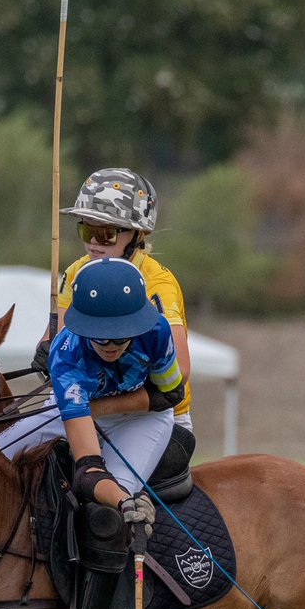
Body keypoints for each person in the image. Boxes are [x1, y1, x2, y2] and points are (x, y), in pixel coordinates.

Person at [0, 256, 185, 609]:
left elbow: (169, 394)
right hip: (77, 412)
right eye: (101, 333)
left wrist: (119, 502)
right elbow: (86, 468)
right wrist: (78, 413)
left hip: (142, 420)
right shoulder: (68, 354)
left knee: (105, 518)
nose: (112, 343)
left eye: (121, 334)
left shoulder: (156, 332)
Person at [33, 167, 194, 436]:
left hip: (155, 415)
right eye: (87, 230)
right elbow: (60, 338)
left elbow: (182, 370)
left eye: (106, 232)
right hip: (88, 409)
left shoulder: (156, 284)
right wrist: (46, 351)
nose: (94, 243)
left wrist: (94, 408)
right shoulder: (75, 272)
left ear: (137, 235)